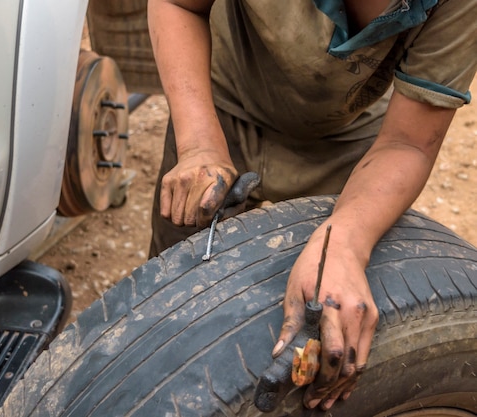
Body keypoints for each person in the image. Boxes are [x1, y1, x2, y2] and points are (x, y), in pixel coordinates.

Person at [147, 0, 476, 411]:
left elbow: (407, 142)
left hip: (351, 142)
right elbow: (179, 5)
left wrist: (345, 243)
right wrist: (198, 144)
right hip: (220, 105)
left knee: (325, 316)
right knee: (171, 300)